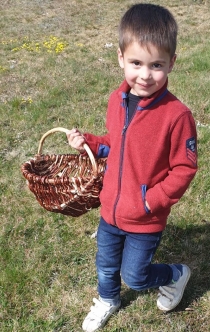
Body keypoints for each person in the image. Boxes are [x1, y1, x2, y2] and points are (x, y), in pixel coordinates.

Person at [67, 3, 198, 331]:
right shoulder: (117, 100)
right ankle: (108, 299)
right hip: (110, 208)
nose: (145, 74)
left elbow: (184, 167)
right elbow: (115, 141)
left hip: (145, 217)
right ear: (121, 59)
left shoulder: (177, 116)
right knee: (106, 267)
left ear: (172, 64)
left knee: (136, 277)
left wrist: (149, 201)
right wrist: (91, 143)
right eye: (136, 63)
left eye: (156, 65)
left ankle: (176, 274)